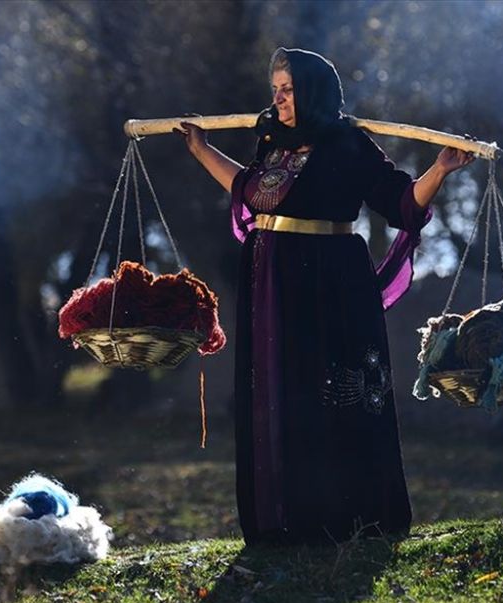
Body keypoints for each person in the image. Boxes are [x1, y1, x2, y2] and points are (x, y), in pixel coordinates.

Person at [176, 47, 473, 545]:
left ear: (313, 90)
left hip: (329, 279)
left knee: (330, 392)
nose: (279, 98)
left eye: (288, 89)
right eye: (275, 89)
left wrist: (440, 170)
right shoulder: (273, 143)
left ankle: (339, 517)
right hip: (270, 278)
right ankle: (279, 518)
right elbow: (249, 190)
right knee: (275, 391)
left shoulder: (347, 143)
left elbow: (399, 203)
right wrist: (201, 149)